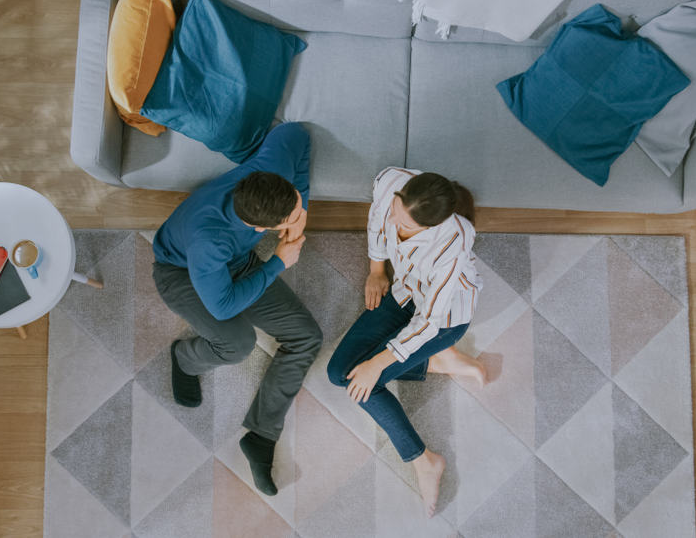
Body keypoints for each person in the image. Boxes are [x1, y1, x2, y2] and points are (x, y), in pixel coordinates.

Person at [152, 122, 322, 497]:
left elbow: (296, 135)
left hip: (238, 262)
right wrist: (279, 262)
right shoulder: (209, 239)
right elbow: (223, 302)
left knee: (307, 336)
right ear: (261, 227)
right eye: (289, 219)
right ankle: (184, 358)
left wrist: (302, 207)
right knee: (237, 342)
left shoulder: (266, 176)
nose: (295, 221)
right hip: (180, 273)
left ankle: (261, 437)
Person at [327, 166, 487, 517]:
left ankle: (423, 460)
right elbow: (376, 222)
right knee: (338, 372)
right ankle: (437, 362)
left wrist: (376, 364)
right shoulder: (392, 184)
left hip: (442, 323)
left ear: (431, 227)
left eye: (404, 226)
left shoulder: (452, 248)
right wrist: (376, 270)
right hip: (403, 294)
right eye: (396, 210)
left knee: (361, 381)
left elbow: (428, 323)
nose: (394, 223)